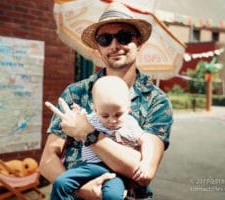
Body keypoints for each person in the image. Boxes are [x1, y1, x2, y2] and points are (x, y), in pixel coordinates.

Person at [39, 2, 173, 199]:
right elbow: (47, 161)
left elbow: (143, 170)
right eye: (105, 39)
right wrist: (82, 190)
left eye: (124, 37)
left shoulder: (156, 100)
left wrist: (88, 133)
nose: (114, 45)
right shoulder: (76, 92)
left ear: (139, 44)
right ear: (97, 50)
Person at [49, 76, 151, 199]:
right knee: (60, 183)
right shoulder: (91, 120)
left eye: (118, 114)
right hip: (90, 166)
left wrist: (146, 162)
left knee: (112, 195)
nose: (112, 120)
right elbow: (77, 135)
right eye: (105, 115)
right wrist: (76, 117)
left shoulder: (130, 123)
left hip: (115, 171)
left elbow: (146, 140)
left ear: (128, 106)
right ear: (95, 109)